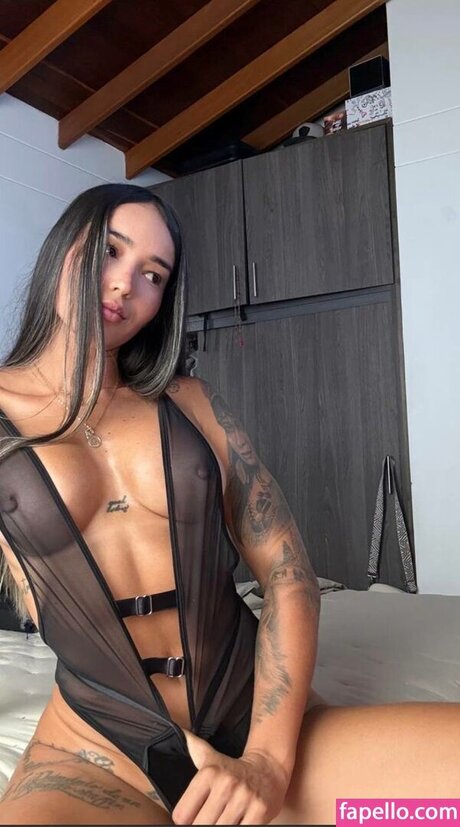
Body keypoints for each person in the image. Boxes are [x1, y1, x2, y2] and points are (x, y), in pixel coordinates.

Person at [0, 184, 458, 827]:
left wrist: (268, 762)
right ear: (64, 248)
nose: (125, 284)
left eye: (153, 275)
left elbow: (289, 575)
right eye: (110, 251)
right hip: (94, 757)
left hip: (255, 726)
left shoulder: (191, 404)